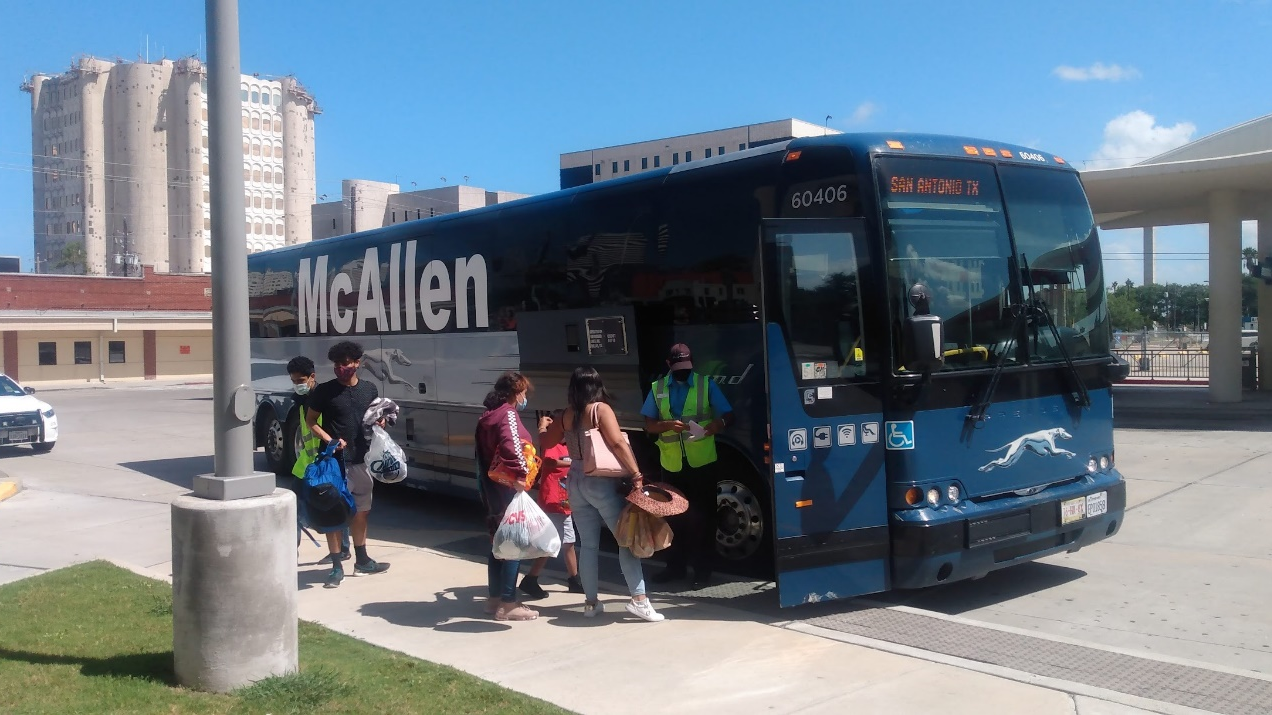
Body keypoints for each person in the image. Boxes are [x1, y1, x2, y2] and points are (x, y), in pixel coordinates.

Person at [542, 366, 664, 622]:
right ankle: (639, 600)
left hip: (574, 479)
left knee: (587, 545)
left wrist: (544, 427)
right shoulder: (600, 410)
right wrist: (636, 474)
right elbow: (618, 443)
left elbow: (546, 443)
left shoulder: (567, 414)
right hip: (601, 480)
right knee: (626, 540)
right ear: (597, 386)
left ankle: (591, 603)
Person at [641, 343, 732, 589]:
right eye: (678, 368)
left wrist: (715, 426)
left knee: (704, 519)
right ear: (668, 365)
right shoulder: (657, 388)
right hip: (671, 464)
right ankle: (675, 567)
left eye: (687, 367)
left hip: (702, 463)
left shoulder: (705, 384)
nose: (683, 373)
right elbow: (649, 424)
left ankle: (703, 571)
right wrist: (668, 425)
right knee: (673, 519)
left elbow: (727, 414)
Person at [305, 341, 391, 589]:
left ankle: (362, 560)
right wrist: (329, 439)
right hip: (334, 463)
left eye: (348, 363)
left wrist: (381, 422)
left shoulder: (369, 389)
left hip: (362, 460)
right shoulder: (324, 391)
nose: (343, 368)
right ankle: (336, 566)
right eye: (338, 364)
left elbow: (375, 417)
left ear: (357, 363)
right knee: (333, 512)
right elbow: (311, 420)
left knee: (362, 511)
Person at [474, 371, 540, 621]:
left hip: (491, 488)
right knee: (514, 543)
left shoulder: (488, 415)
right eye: (523, 393)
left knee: (497, 543)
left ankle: (494, 599)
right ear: (516, 392)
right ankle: (509, 603)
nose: (525, 398)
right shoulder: (508, 414)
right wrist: (522, 474)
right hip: (507, 487)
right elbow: (511, 445)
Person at [287, 355, 349, 563]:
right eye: (294, 381)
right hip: (305, 465)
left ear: (312, 376)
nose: (297, 385)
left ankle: (343, 549)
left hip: (324, 464)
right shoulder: (302, 400)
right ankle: (289, 553)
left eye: (300, 381)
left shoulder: (324, 399)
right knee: (292, 509)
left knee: (334, 505)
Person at [517, 412, 582, 599]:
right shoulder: (552, 444)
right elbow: (548, 461)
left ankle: (574, 579)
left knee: (568, 542)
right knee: (551, 542)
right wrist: (543, 428)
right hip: (553, 500)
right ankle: (531, 579)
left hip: (565, 501)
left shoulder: (568, 444)